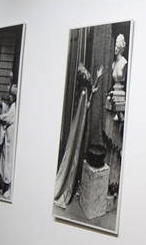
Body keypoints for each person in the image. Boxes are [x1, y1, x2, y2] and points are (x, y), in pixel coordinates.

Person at [54, 64, 103, 208]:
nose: (88, 75)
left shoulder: (84, 91)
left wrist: (97, 80)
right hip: (77, 129)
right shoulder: (83, 93)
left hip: (79, 123)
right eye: (87, 74)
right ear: (84, 78)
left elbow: (87, 102)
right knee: (73, 153)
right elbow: (86, 105)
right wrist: (95, 83)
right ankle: (65, 187)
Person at [104, 34, 128, 196]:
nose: (114, 48)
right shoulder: (113, 63)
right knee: (110, 141)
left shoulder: (124, 63)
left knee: (117, 141)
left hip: (120, 99)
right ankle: (109, 178)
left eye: (116, 46)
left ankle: (116, 180)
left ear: (121, 47)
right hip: (113, 97)